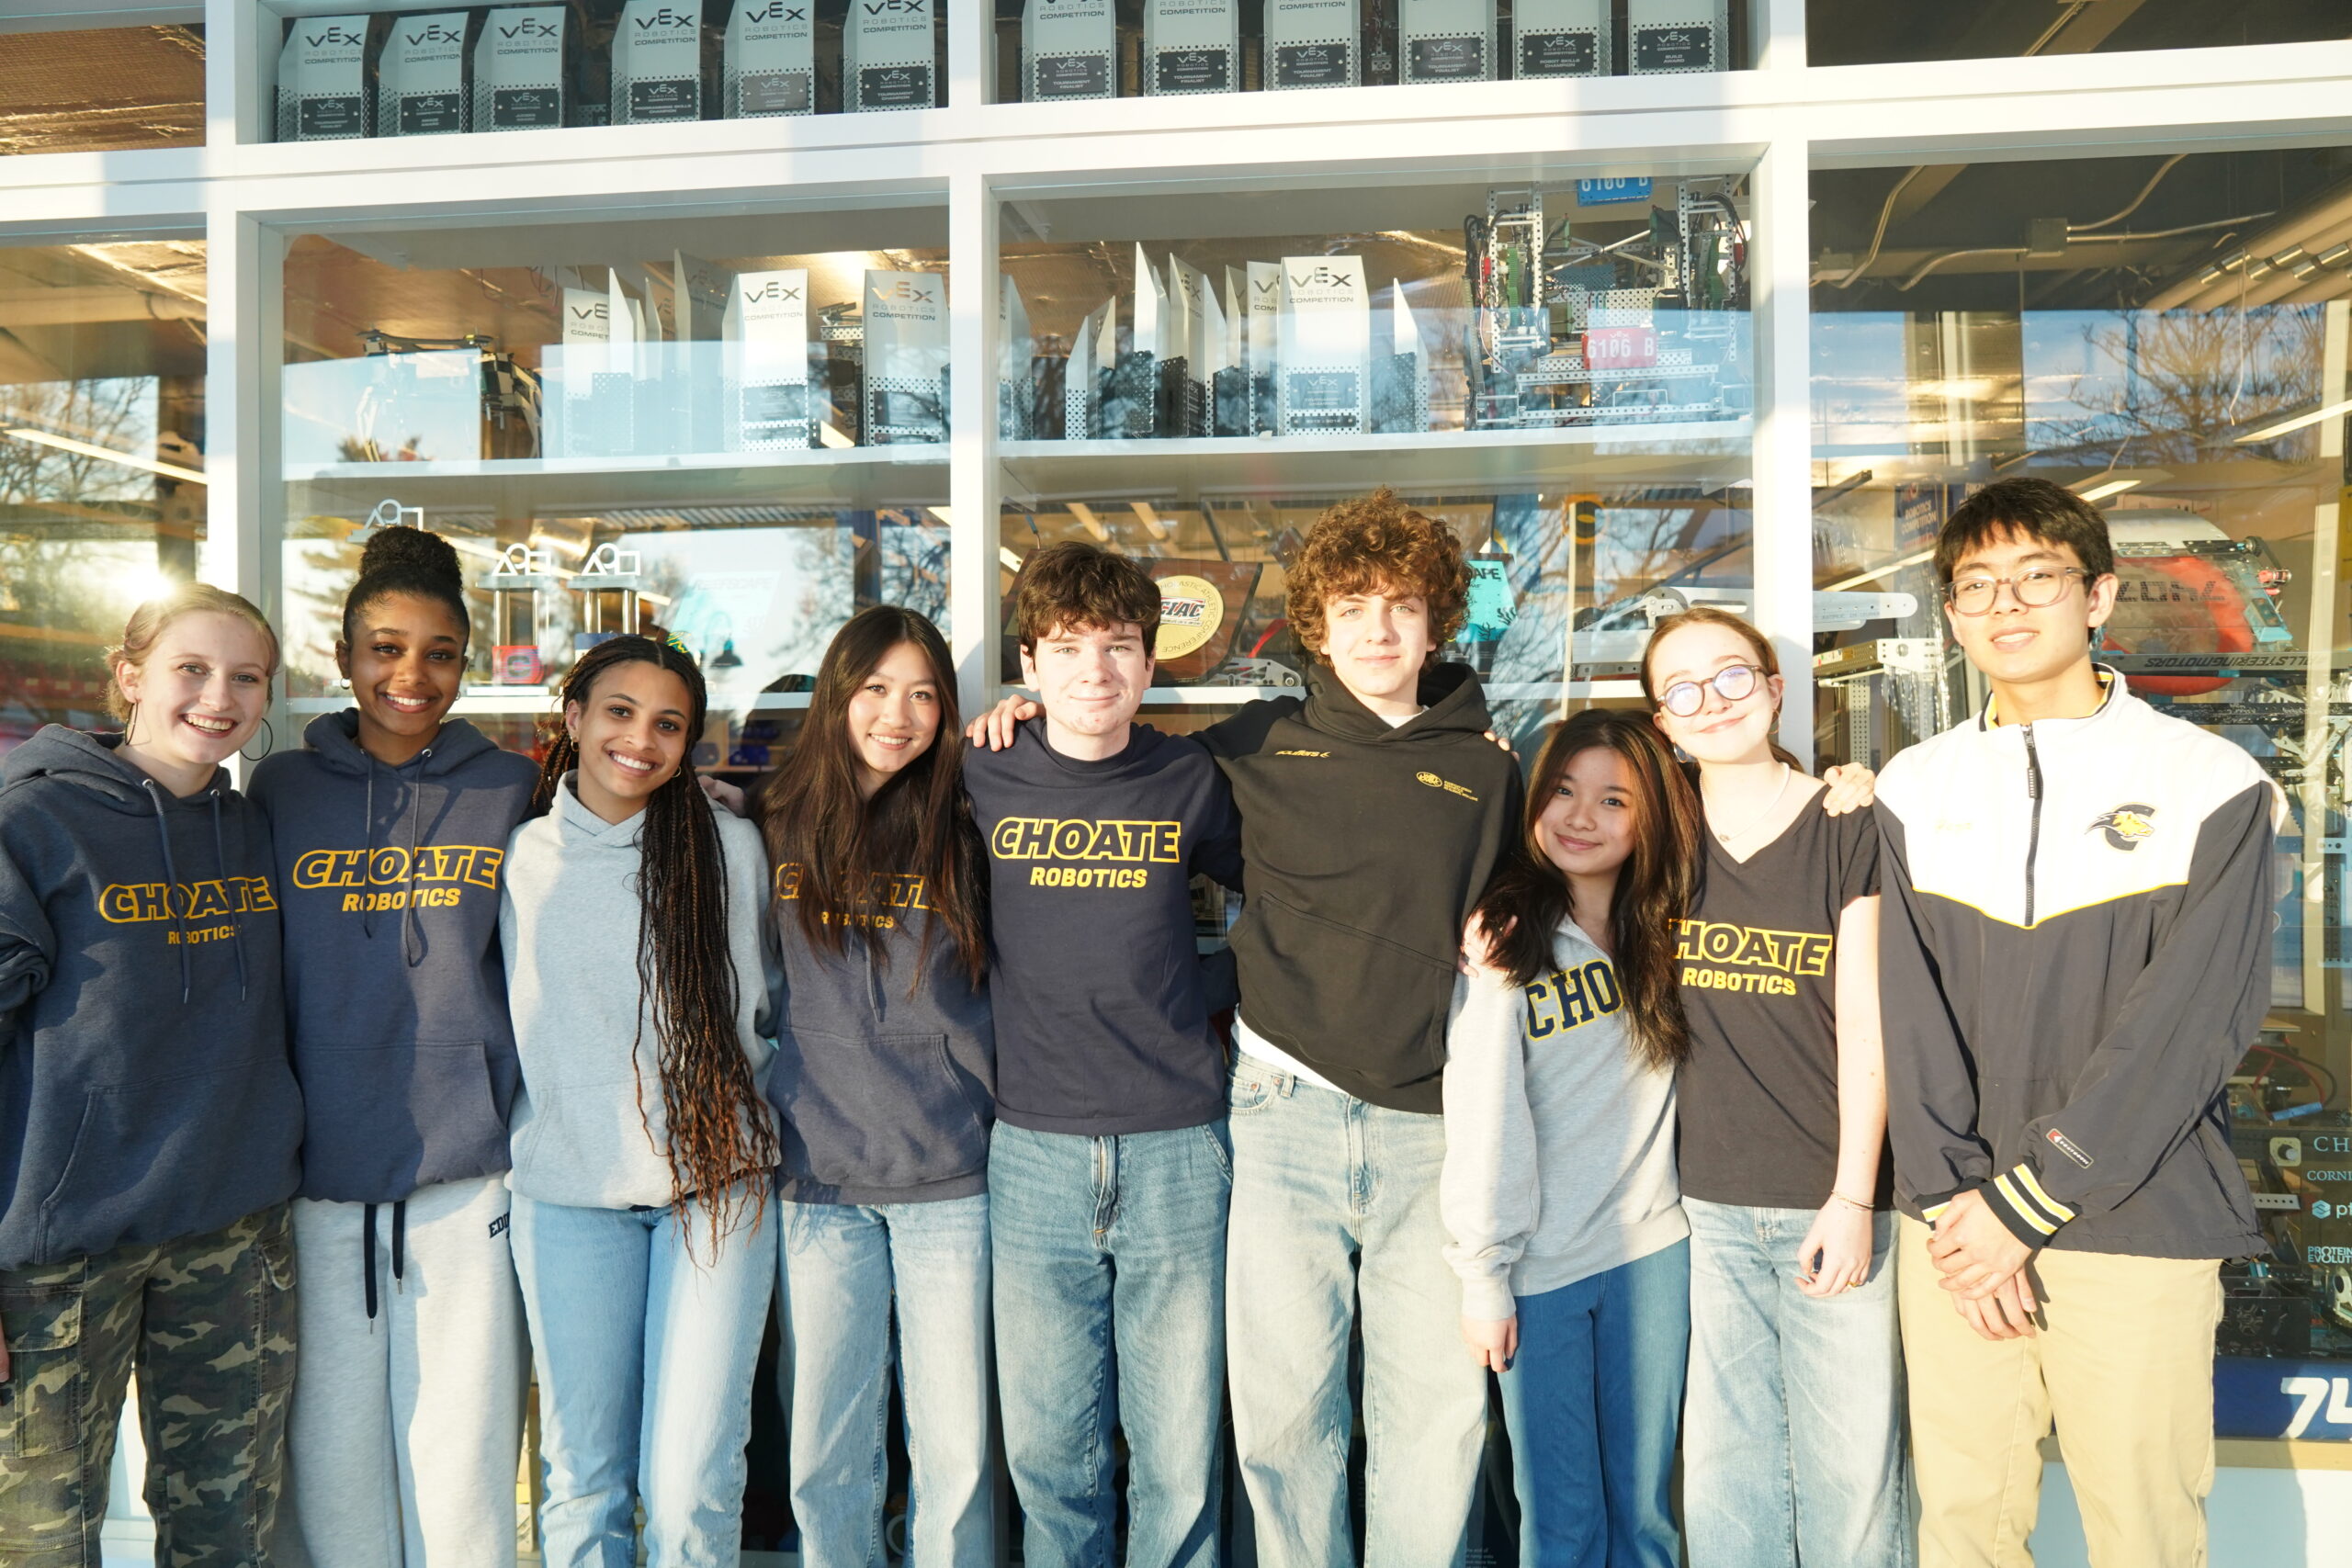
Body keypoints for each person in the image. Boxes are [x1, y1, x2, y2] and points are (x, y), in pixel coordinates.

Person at [1873, 478, 2283, 1568]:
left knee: (2142, 1535)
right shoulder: (1913, 786)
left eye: (2036, 578)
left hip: (2134, 1217)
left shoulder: (2207, 781)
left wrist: (2029, 1200)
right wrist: (1960, 1205)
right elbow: (1906, 1016)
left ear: (2096, 596)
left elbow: (2189, 1027)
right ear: (1951, 616)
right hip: (1956, 1233)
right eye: (1976, 586)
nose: (2005, 605)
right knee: (1962, 1529)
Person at [254, 525, 540, 1568]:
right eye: (384, 648)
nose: (410, 675)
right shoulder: (281, 790)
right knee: (331, 1462)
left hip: (466, 1174)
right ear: (342, 657)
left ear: (467, 662)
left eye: (439, 653)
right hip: (316, 1178)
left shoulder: (509, 787)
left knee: (463, 1465)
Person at [0, 584, 304, 1567]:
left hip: (233, 1232)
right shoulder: (33, 822)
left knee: (228, 1535)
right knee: (43, 1544)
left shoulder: (251, 827)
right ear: (129, 676)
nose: (219, 697)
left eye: (246, 677)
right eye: (192, 669)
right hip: (61, 1254)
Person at [963, 545, 1243, 1568]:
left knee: (1178, 1449)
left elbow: (1295, 890)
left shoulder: (1187, 777)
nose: (1095, 669)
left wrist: (1205, 990)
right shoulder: (981, 770)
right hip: (1031, 1147)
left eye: (1119, 646)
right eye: (1068, 647)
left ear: (1150, 663)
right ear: (1029, 664)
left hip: (1179, 1145)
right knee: (1050, 1454)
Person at [500, 635, 780, 1568]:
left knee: (691, 1480)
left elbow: (770, 1007)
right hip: (570, 1195)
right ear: (574, 718)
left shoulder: (730, 848)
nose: (640, 739)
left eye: (668, 724)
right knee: (585, 1477)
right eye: (619, 712)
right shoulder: (521, 858)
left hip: (715, 1191)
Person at [1640, 607, 1909, 1568]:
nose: (1710, 701)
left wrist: (1852, 1195)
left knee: (1850, 1479)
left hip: (1828, 1197)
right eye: (1681, 689)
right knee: (1727, 1478)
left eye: (1731, 676)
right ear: (1662, 722)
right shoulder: (1656, 837)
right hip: (1701, 1205)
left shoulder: (1849, 822)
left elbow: (1870, 1021)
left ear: (1775, 688)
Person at [755, 607, 996, 1568]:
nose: (899, 715)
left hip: (951, 1174)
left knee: (955, 1450)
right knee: (825, 1449)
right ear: (836, 696)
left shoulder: (970, 820)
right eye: (876, 690)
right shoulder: (769, 824)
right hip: (817, 1176)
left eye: (924, 694)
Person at [1442, 709, 1698, 1568]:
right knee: (1562, 1522)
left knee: (1645, 1516)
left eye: (1613, 800)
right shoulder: (1505, 943)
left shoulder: (1668, 929)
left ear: (1650, 816)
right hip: (1540, 1270)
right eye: (1563, 791)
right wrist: (1485, 1274)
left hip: (1651, 1255)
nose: (1582, 817)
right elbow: (1484, 1115)